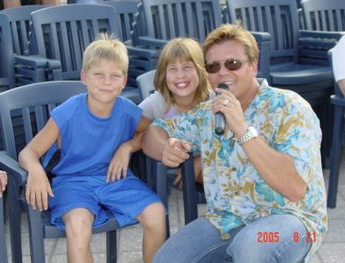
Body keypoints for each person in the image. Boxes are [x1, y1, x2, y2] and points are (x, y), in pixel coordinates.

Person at [142, 23, 327, 263]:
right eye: (213, 66)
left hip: (292, 223)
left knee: (251, 247)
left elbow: (294, 189)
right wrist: (166, 148)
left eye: (233, 63)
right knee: (166, 259)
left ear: (253, 65)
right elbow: (153, 133)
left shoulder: (290, 107)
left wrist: (242, 128)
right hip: (227, 221)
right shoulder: (207, 112)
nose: (223, 73)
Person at [18, 34, 166, 263]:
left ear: (124, 80)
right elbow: (29, 152)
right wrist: (36, 171)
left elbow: (149, 131)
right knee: (78, 226)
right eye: (99, 75)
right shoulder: (67, 112)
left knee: (156, 214)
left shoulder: (128, 111)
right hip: (72, 183)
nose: (107, 82)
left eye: (114, 76)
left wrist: (126, 147)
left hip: (114, 179)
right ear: (84, 77)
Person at [113, 37, 212, 187]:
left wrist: (201, 161)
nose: (180, 75)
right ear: (164, 75)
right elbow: (134, 128)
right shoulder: (158, 101)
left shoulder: (212, 99)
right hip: (168, 161)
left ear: (200, 70)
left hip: (210, 164)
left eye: (187, 67)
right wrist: (127, 147)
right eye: (173, 69)